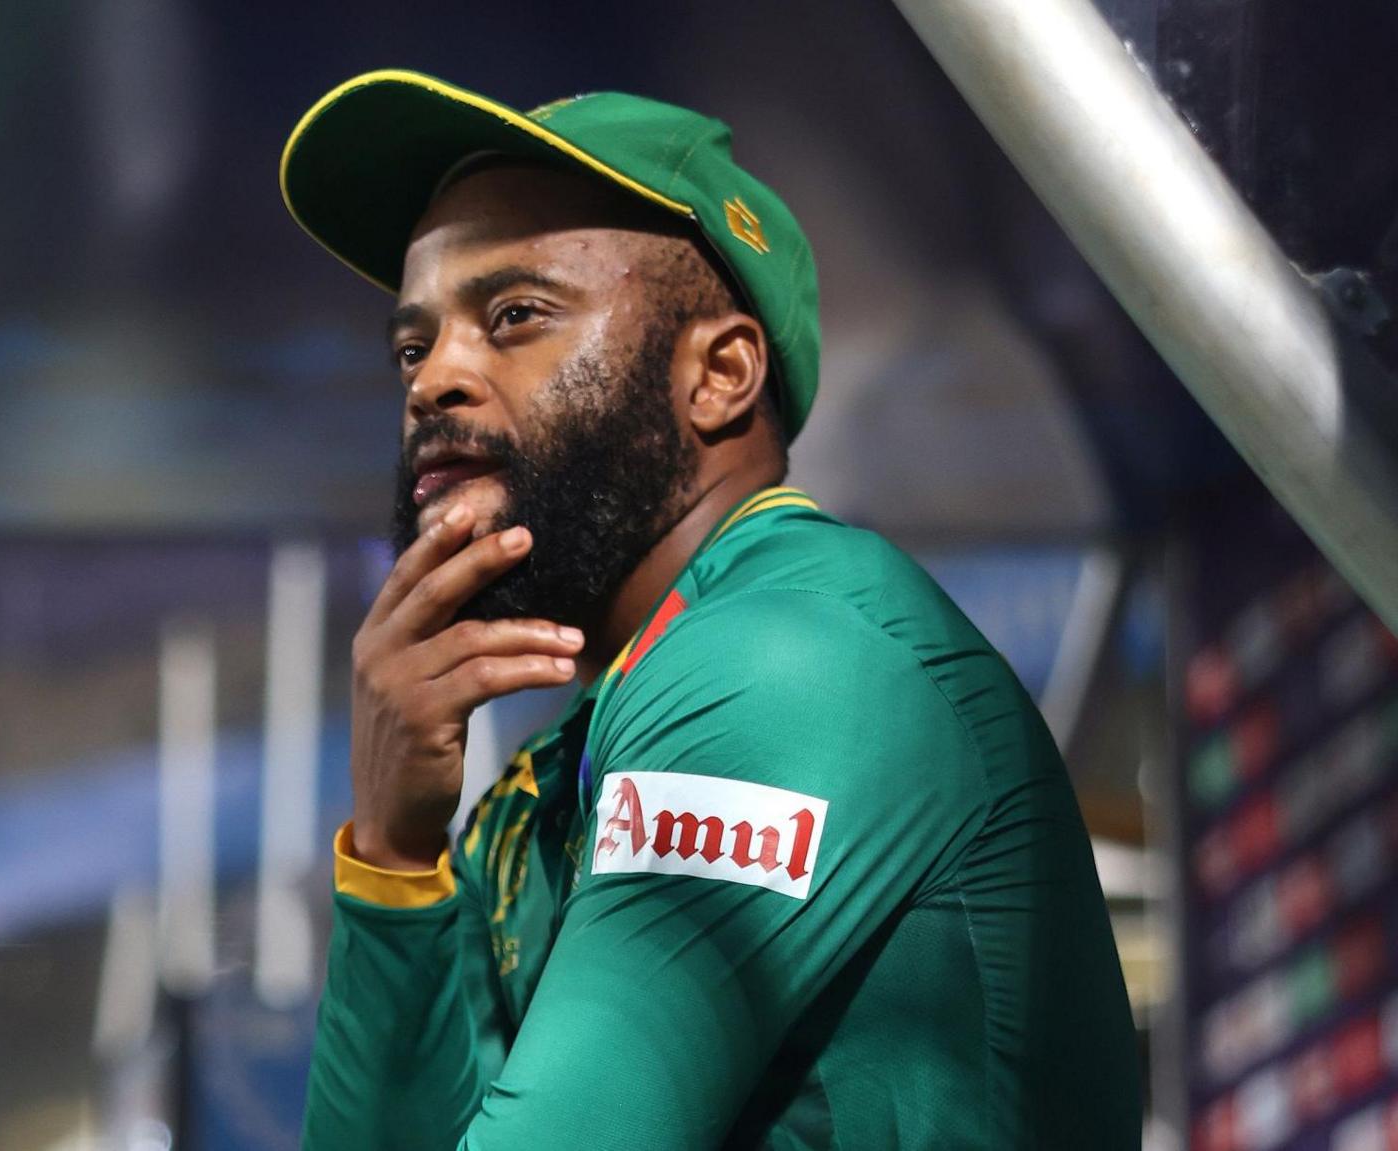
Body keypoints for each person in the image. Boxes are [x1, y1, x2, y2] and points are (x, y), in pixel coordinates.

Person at [279, 70, 1142, 1148]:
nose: (431, 380)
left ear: (719, 373)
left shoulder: (788, 661)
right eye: (412, 345)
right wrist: (395, 856)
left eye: (514, 315)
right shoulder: (540, 790)